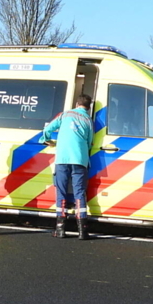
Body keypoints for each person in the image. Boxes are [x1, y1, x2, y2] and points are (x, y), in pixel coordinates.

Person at [40, 94, 94, 239]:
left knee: (61, 192)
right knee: (79, 193)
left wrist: (47, 140)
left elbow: (48, 129)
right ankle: (82, 231)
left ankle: (60, 229)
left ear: (77, 103)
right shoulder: (88, 120)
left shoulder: (65, 115)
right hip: (80, 160)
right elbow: (90, 143)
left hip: (62, 159)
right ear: (89, 107)